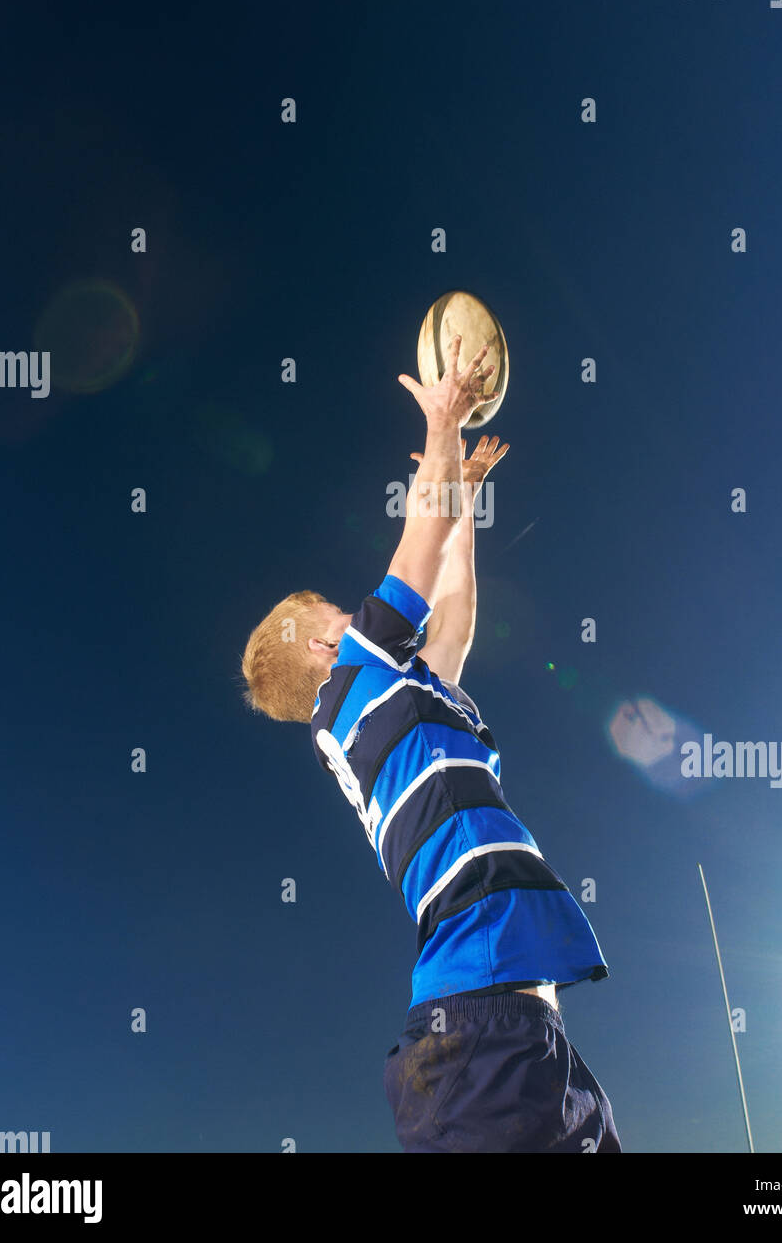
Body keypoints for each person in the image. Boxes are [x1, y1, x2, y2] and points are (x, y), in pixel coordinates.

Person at [241, 336, 621, 1153]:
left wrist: (467, 497)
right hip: (477, 1037)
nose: (357, 615)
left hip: (523, 1030)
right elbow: (425, 524)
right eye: (340, 614)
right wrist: (443, 424)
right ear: (319, 648)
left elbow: (450, 621)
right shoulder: (354, 676)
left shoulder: (388, 700)